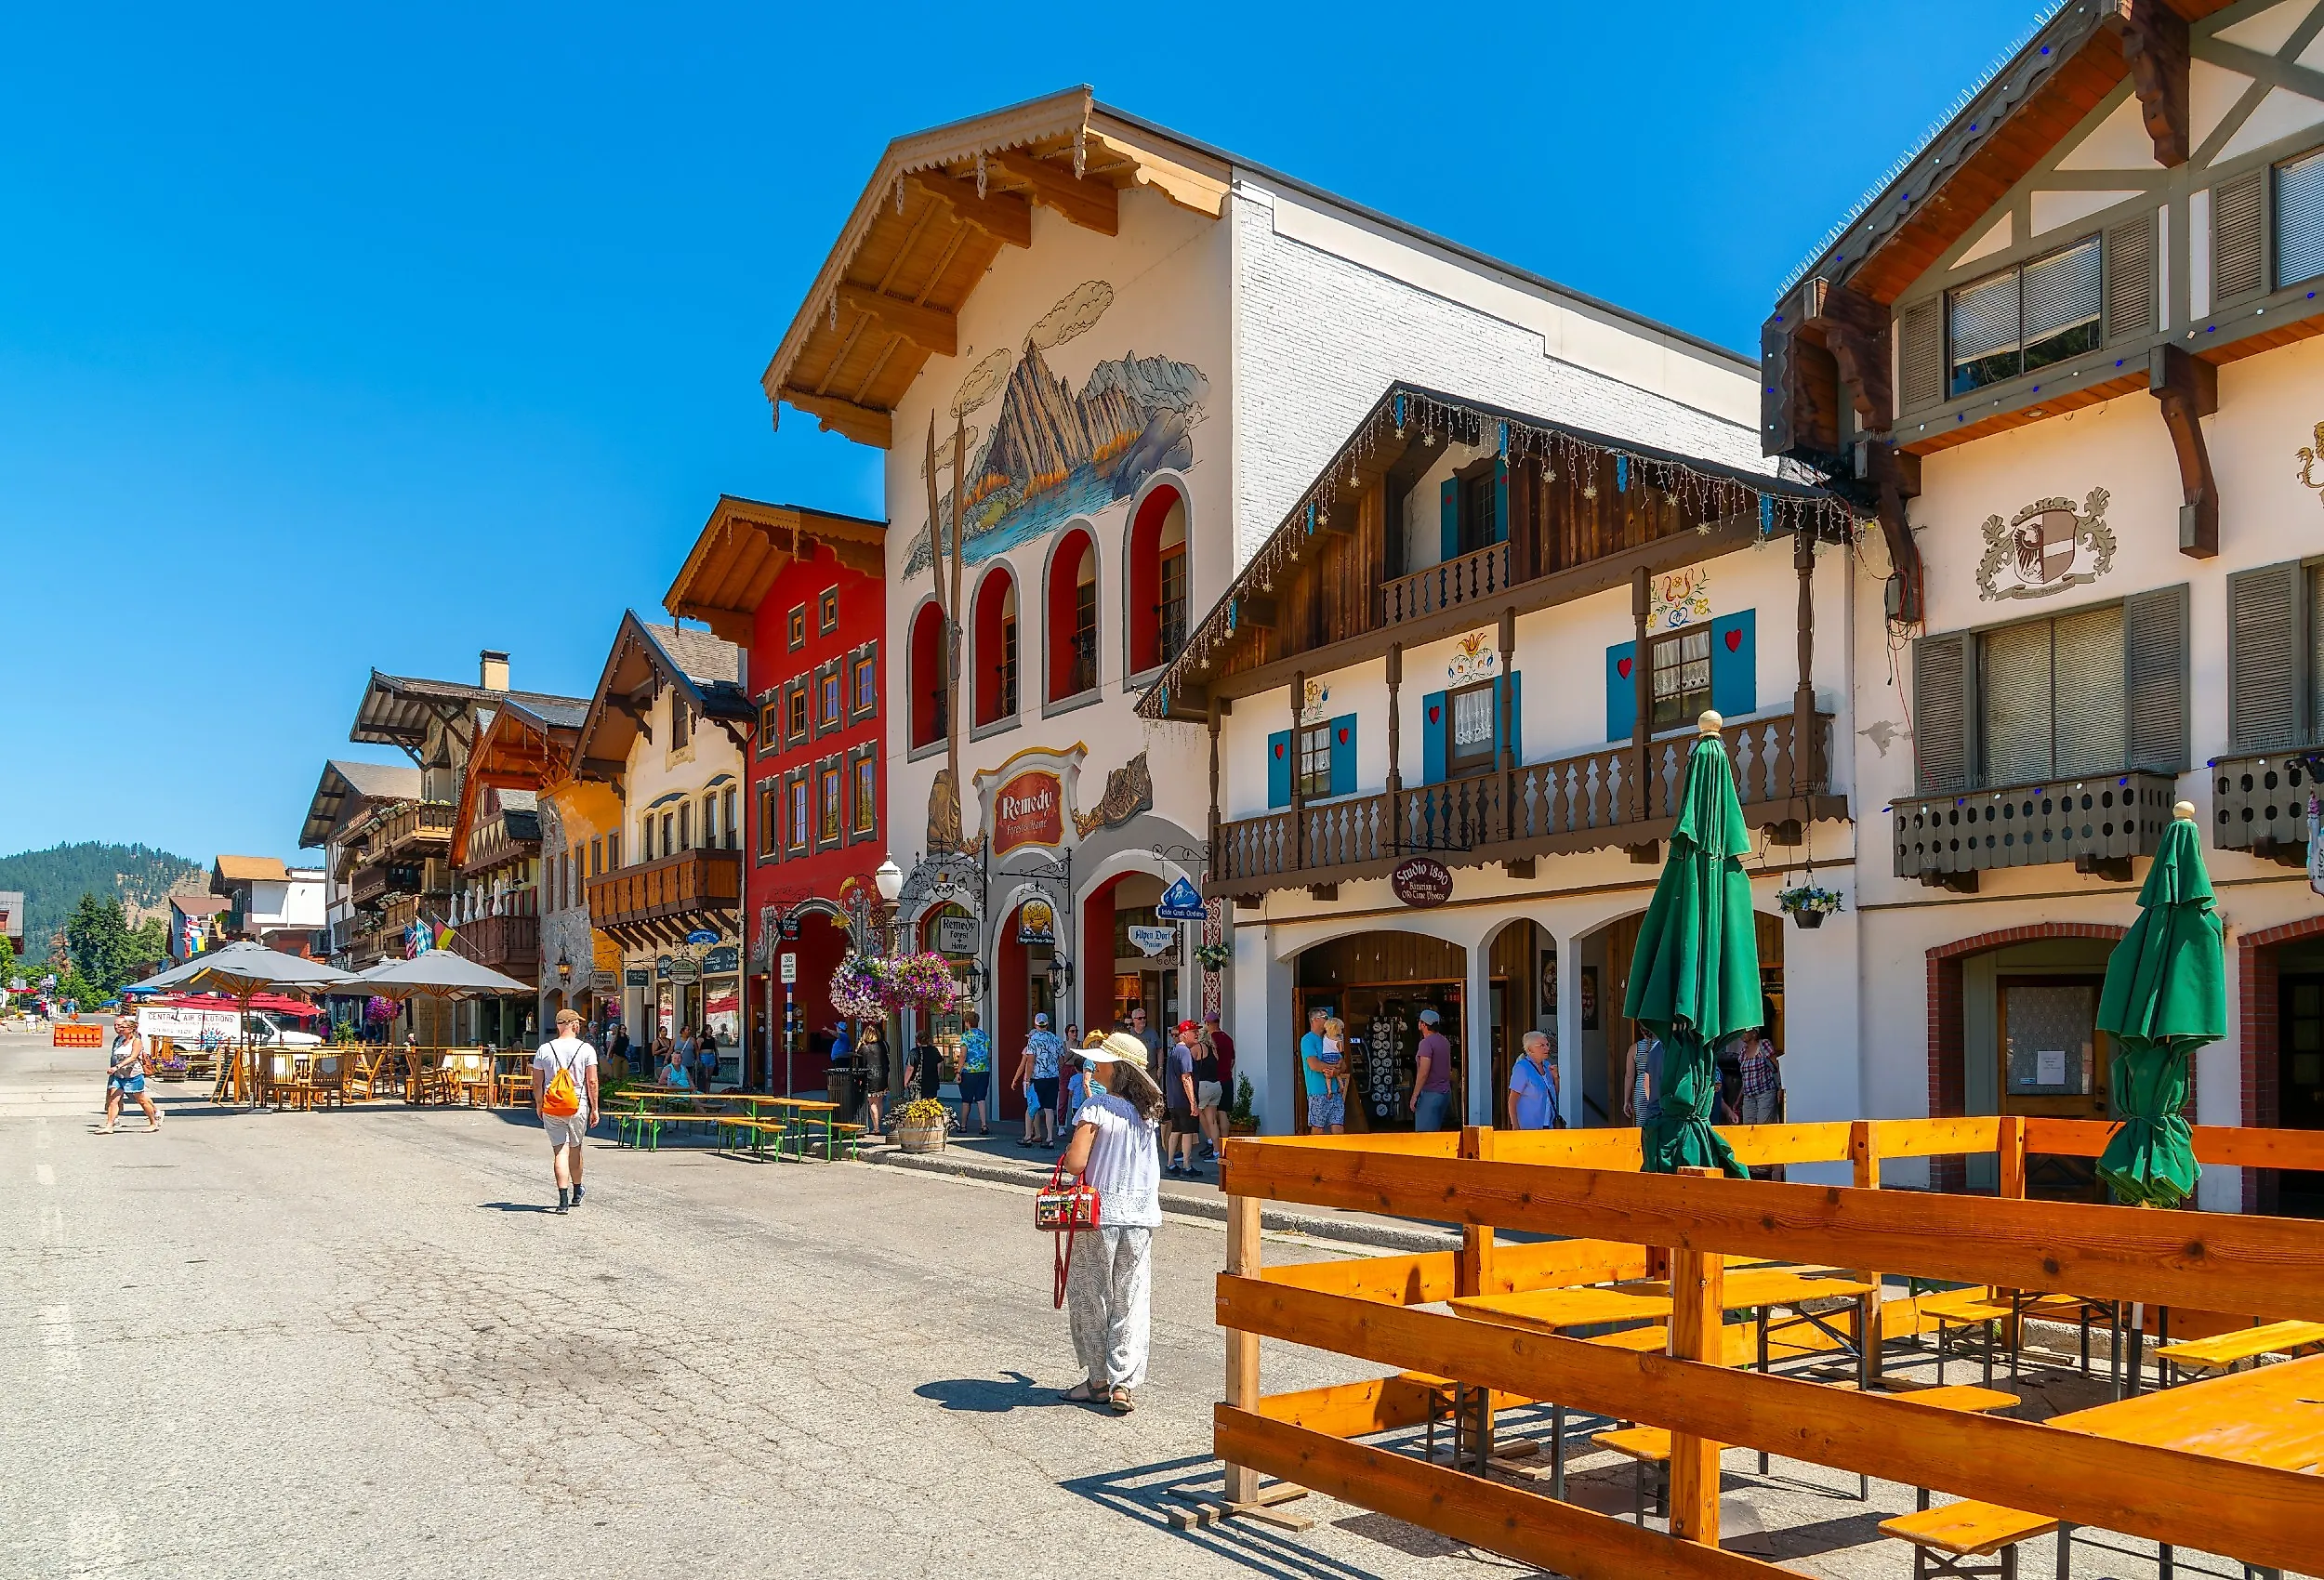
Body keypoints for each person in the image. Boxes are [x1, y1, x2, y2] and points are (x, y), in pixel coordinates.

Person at [1054, 1033, 1165, 1415]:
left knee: (1090, 1295)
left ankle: (1098, 1381)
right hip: (1140, 1215)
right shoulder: (1150, 1111)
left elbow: (1076, 1163)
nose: (1095, 1067)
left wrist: (1070, 1149)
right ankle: (1125, 1383)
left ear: (1117, 1069)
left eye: (1101, 1062)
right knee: (1130, 1296)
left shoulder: (1096, 1107)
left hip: (1098, 1213)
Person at [533, 1007, 600, 1214]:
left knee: (559, 1150)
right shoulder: (586, 1049)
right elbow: (592, 1081)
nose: (579, 1025)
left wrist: (539, 1103)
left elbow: (537, 1082)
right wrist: (595, 1108)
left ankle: (562, 1200)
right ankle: (577, 1191)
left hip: (552, 1104)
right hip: (577, 1104)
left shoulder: (544, 1049)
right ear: (573, 1024)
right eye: (577, 1023)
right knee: (575, 1148)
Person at [1736, 1026, 1784, 1179]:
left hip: (1766, 1092)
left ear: (1755, 1032)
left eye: (1746, 1030)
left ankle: (1764, 1167)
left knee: (1763, 1127)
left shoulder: (1764, 1045)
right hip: (1749, 1096)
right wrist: (1738, 1099)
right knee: (1749, 1128)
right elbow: (1745, 1079)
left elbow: (1777, 1066)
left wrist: (1781, 1087)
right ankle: (1752, 1164)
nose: (1743, 1033)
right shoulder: (1743, 1052)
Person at [99, 1013, 161, 1134]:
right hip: (119, 1075)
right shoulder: (120, 1040)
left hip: (133, 1075)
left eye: (123, 1027)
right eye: (119, 1027)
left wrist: (117, 1066)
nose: (120, 1029)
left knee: (141, 1099)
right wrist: (115, 1068)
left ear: (131, 1029)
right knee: (113, 1099)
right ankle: (109, 1125)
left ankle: (153, 1122)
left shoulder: (136, 1041)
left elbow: (133, 1057)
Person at [1162, 1020, 1202, 1178]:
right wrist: (1193, 1102)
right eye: (1194, 1031)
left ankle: (1170, 1163)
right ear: (1185, 1034)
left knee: (1176, 1130)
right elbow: (1186, 1077)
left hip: (1173, 1099)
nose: (1197, 1034)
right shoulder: (1184, 1051)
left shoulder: (1173, 1050)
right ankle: (1186, 1165)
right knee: (1187, 1132)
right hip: (1183, 1099)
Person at [1300, 1007, 1342, 1136]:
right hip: (1317, 1092)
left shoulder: (1330, 1038)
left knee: (1338, 1126)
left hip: (1335, 1092)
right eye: (1325, 1018)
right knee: (1318, 1128)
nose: (1328, 1020)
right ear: (1315, 1020)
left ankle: (1340, 1155)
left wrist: (1337, 1071)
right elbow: (1313, 1064)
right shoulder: (1308, 1040)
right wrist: (1334, 1070)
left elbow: (1343, 1063)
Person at [1409, 1007, 1453, 1132]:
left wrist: (1414, 1096)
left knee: (1424, 1138)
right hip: (1444, 1094)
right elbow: (1448, 1068)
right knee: (1435, 1135)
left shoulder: (1426, 1043)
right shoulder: (1444, 1041)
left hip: (1430, 1094)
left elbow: (1423, 1072)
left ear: (1423, 1024)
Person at [1507, 1029, 1561, 1131]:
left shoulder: (1547, 1066)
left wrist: (1556, 1078)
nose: (1547, 1048)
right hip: (1529, 1127)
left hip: (1549, 1126)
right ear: (1530, 1049)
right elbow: (1512, 1101)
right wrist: (1515, 1126)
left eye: (1547, 1044)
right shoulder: (1522, 1068)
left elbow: (1553, 1095)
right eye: (1542, 1045)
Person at [1201, 1011, 1235, 1161]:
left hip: (1214, 1080)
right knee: (1223, 1112)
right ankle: (1225, 1146)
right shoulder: (1227, 1038)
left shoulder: (1210, 1039)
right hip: (1227, 1078)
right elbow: (1233, 1060)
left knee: (1207, 1114)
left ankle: (1213, 1143)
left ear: (1208, 1023)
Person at [1025, 1012, 1063, 1148]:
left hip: (1038, 1077)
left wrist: (1028, 1079)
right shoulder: (1056, 1039)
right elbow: (1061, 1059)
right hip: (1053, 1077)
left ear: (1036, 1024)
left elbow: (1030, 1061)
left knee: (1032, 1106)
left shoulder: (1033, 1039)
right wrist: (1056, 1070)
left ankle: (1028, 1136)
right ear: (1047, 1024)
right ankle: (1049, 1138)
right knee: (1049, 1109)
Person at [1192, 1019, 1224, 1164]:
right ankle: (1217, 1151)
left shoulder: (1198, 1048)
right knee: (1212, 1121)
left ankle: (1210, 1141)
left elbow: (1188, 1064)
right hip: (1216, 1085)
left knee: (1198, 1113)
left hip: (1204, 1085)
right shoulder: (1213, 1049)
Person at [957, 1009, 992, 1136]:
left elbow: (963, 1055)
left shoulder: (966, 1036)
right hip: (983, 1070)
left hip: (969, 1071)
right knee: (981, 1098)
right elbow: (989, 1054)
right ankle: (984, 1125)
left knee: (966, 1099)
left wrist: (958, 1071)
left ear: (967, 1022)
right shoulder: (985, 1036)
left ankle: (963, 1125)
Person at [1623, 1026, 1663, 1127]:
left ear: (1641, 1030)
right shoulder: (1663, 1047)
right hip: (1658, 1088)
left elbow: (1629, 1076)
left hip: (1640, 1092)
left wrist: (1626, 1100)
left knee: (1641, 1127)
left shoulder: (1634, 1049)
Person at [859, 1022, 891, 1133]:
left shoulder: (864, 1048)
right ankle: (878, 1124)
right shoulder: (884, 1045)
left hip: (870, 1077)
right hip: (882, 1076)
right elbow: (887, 1061)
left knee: (872, 1103)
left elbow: (860, 1065)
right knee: (879, 1102)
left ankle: (876, 1127)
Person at [1123, 1005, 1161, 1086]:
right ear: (1134, 1020)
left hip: (1152, 1071)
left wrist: (1160, 1068)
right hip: (1136, 1072)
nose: (1143, 1020)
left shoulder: (1152, 1033)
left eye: (1144, 1018)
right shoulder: (1129, 1035)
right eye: (1140, 1018)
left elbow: (1160, 1050)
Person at [696, 1024, 720, 1091]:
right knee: (705, 1076)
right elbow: (697, 1050)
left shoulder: (713, 1039)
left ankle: (707, 1092)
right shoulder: (701, 1039)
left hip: (711, 1057)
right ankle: (702, 1091)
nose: (711, 1030)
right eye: (710, 1029)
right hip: (704, 1057)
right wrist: (698, 1059)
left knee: (709, 1077)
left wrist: (718, 1059)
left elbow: (716, 1049)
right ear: (706, 1030)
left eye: (711, 1029)